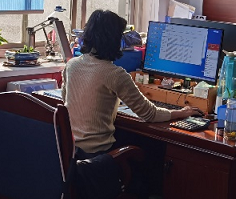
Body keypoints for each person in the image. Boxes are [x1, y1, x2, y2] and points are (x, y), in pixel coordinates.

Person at [63, 9, 202, 156]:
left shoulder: (71, 65)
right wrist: (181, 112)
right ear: (114, 41)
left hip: (73, 150)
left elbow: (67, 102)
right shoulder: (115, 74)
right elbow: (150, 114)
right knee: (154, 147)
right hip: (98, 154)